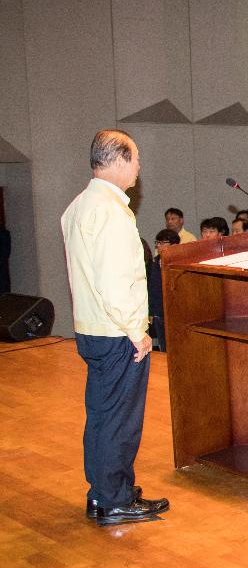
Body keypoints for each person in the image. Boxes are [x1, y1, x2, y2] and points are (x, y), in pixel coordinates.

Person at [62, 130, 170, 524]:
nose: (139, 167)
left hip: (91, 327)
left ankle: (103, 491)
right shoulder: (109, 211)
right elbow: (113, 279)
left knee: (103, 416)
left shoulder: (79, 205)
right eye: (136, 159)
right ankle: (115, 499)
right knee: (121, 420)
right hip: (116, 331)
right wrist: (135, 331)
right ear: (119, 159)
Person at [148, 229, 179, 352]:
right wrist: (152, 311)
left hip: (175, 313)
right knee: (163, 346)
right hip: (158, 313)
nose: (158, 246)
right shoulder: (154, 262)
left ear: (174, 245)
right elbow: (151, 288)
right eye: (157, 242)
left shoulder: (179, 263)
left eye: (162, 243)